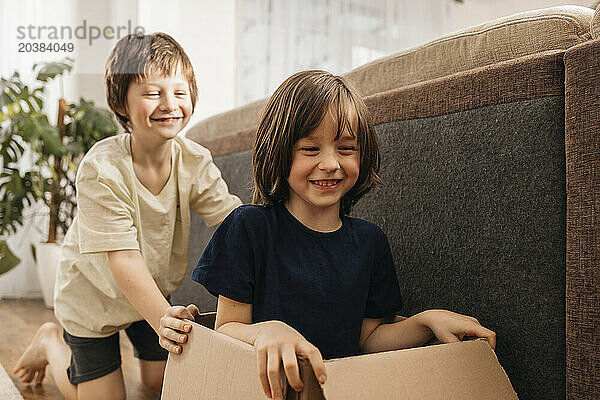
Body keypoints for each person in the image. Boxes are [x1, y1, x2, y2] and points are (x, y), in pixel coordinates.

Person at [159, 70, 496, 400]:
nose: (331, 163)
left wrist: (426, 322)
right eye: (310, 149)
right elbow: (226, 330)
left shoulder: (370, 242)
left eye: (346, 148)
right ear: (279, 152)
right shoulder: (248, 228)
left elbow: (369, 339)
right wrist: (268, 330)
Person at [12, 32, 240, 400]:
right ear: (121, 103)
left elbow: (233, 221)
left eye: (179, 92)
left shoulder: (195, 160)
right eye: (152, 93)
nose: (169, 104)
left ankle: (141, 335)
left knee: (157, 384)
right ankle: (50, 342)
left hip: (151, 292)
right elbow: (123, 259)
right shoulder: (101, 169)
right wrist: (163, 319)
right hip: (93, 296)